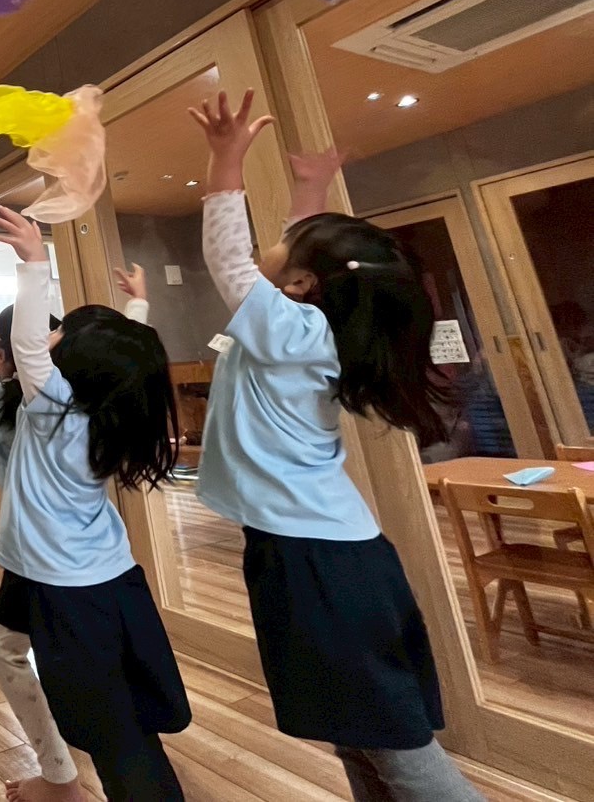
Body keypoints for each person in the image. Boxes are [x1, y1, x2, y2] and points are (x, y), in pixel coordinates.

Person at [188, 90, 481, 802]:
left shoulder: (289, 330)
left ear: (300, 283)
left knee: (398, 752)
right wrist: (310, 190)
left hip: (315, 561)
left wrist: (225, 163)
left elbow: (229, 260)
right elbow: (299, 258)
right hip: (328, 555)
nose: (271, 246)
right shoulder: (307, 327)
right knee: (356, 734)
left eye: (286, 246)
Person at [0, 264, 151, 802]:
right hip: (97, 551)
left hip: (45, 558)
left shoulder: (22, 403)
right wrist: (136, 309)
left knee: (57, 673)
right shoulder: (92, 395)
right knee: (33, 652)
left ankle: (66, 772)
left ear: (13, 355)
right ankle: (81, 761)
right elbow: (128, 358)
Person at [0, 207, 190, 802]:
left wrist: (34, 263)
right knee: (12, 649)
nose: (51, 337)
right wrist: (138, 308)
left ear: (73, 363)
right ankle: (59, 778)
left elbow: (27, 344)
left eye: (63, 335)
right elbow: (127, 363)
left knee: (116, 735)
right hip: (92, 573)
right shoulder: (109, 411)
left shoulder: (53, 410)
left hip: (64, 587)